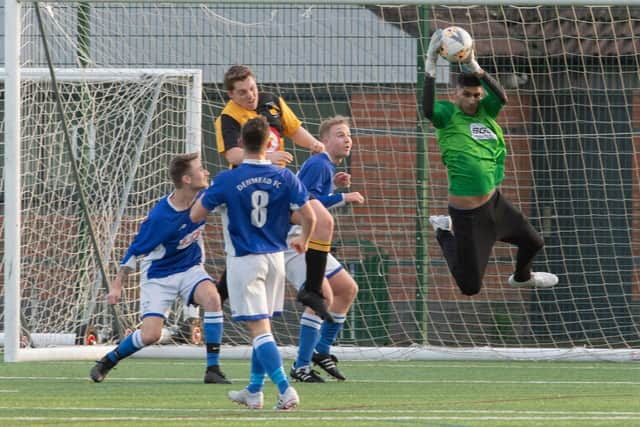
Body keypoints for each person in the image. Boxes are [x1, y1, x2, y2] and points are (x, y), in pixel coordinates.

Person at [191, 116, 316, 410]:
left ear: (239, 142)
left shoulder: (227, 179)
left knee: (259, 330)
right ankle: (254, 391)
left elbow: (196, 214)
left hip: (245, 260)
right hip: (275, 259)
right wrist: (305, 240)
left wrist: (217, 202)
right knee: (265, 327)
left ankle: (285, 390)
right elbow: (309, 217)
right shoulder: (286, 177)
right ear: (268, 144)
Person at [422, 30, 559, 296]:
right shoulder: (447, 114)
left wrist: (476, 67)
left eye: (476, 95)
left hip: (494, 203)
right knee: (470, 287)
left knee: (534, 242)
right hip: (468, 215)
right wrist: (430, 65)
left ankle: (522, 277)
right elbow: (427, 109)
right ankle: (442, 230)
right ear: (456, 93)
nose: (473, 100)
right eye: (467, 94)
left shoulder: (486, 112)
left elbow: (503, 97)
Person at [90, 153, 230, 384]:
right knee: (150, 335)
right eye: (200, 169)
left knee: (213, 299)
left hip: (189, 268)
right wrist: (117, 286)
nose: (206, 172)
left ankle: (213, 369)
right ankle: (109, 360)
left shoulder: (205, 196)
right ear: (186, 179)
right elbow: (135, 250)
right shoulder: (161, 217)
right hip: (159, 275)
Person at [214, 64, 334, 321]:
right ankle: (216, 297)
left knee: (323, 221)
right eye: (243, 92)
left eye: (253, 88)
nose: (251, 95)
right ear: (231, 95)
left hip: (279, 186)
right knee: (250, 252)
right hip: (252, 188)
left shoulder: (272, 102)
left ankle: (311, 290)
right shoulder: (228, 118)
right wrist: (269, 155)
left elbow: (294, 129)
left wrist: (314, 142)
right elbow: (233, 154)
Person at [287, 116, 362, 383]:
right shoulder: (319, 163)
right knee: (324, 296)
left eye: (349, 135)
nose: (347, 139)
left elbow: (313, 198)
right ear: (324, 141)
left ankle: (322, 350)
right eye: (340, 135)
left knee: (347, 289)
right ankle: (301, 366)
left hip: (311, 241)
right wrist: (343, 197)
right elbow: (302, 204)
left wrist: (334, 186)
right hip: (295, 241)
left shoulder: (325, 167)